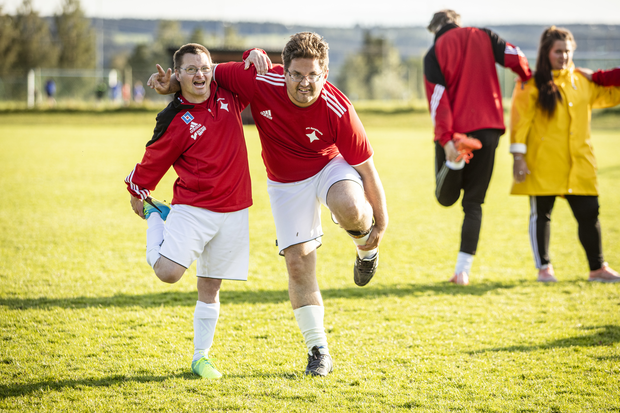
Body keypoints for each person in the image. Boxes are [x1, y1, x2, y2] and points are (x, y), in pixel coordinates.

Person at [149, 32, 388, 376]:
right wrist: (172, 82)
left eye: (313, 75)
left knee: (350, 205)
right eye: (296, 74)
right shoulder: (260, 78)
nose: (305, 84)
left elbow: (368, 169)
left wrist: (381, 225)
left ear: (325, 72)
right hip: (286, 182)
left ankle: (365, 248)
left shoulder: (338, 107)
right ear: (283, 70)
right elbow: (205, 75)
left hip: (328, 166)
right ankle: (318, 350)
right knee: (298, 264)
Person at [125, 43, 259, 379]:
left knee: (210, 286)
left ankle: (201, 357)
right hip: (193, 207)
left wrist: (254, 51)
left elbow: (254, 72)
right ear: (178, 75)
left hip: (234, 209)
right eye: (190, 70)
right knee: (168, 273)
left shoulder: (228, 96)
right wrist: (138, 191)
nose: (200, 75)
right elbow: (154, 157)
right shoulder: (174, 118)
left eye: (204, 68)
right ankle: (159, 218)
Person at [423, 10, 532, 285]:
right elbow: (515, 57)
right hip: (489, 128)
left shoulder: (435, 51)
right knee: (474, 203)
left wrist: (446, 139)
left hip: (457, 131)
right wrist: (526, 76)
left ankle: (455, 160)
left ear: (435, 29)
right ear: (456, 22)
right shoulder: (484, 35)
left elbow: (439, 99)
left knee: (445, 197)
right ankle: (463, 272)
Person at [510, 27, 620, 283]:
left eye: (568, 51)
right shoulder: (531, 83)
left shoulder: (582, 81)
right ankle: (544, 268)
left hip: (580, 163)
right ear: (546, 53)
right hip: (543, 162)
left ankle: (597, 268)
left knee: (590, 214)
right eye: (558, 51)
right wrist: (518, 156)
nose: (564, 56)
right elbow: (519, 121)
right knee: (542, 215)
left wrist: (601, 77)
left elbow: (611, 96)